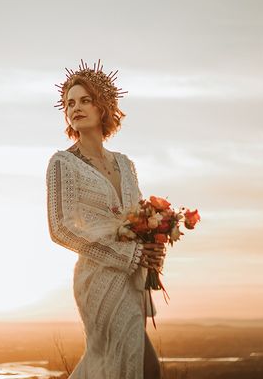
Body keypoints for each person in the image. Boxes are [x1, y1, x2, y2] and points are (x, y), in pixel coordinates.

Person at [46, 59, 166, 379]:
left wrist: (153, 247)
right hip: (98, 277)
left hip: (133, 280)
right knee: (138, 367)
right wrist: (128, 254)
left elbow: (138, 218)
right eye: (70, 103)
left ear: (103, 107)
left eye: (85, 100)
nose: (76, 107)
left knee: (126, 365)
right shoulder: (63, 163)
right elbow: (61, 229)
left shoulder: (125, 164)